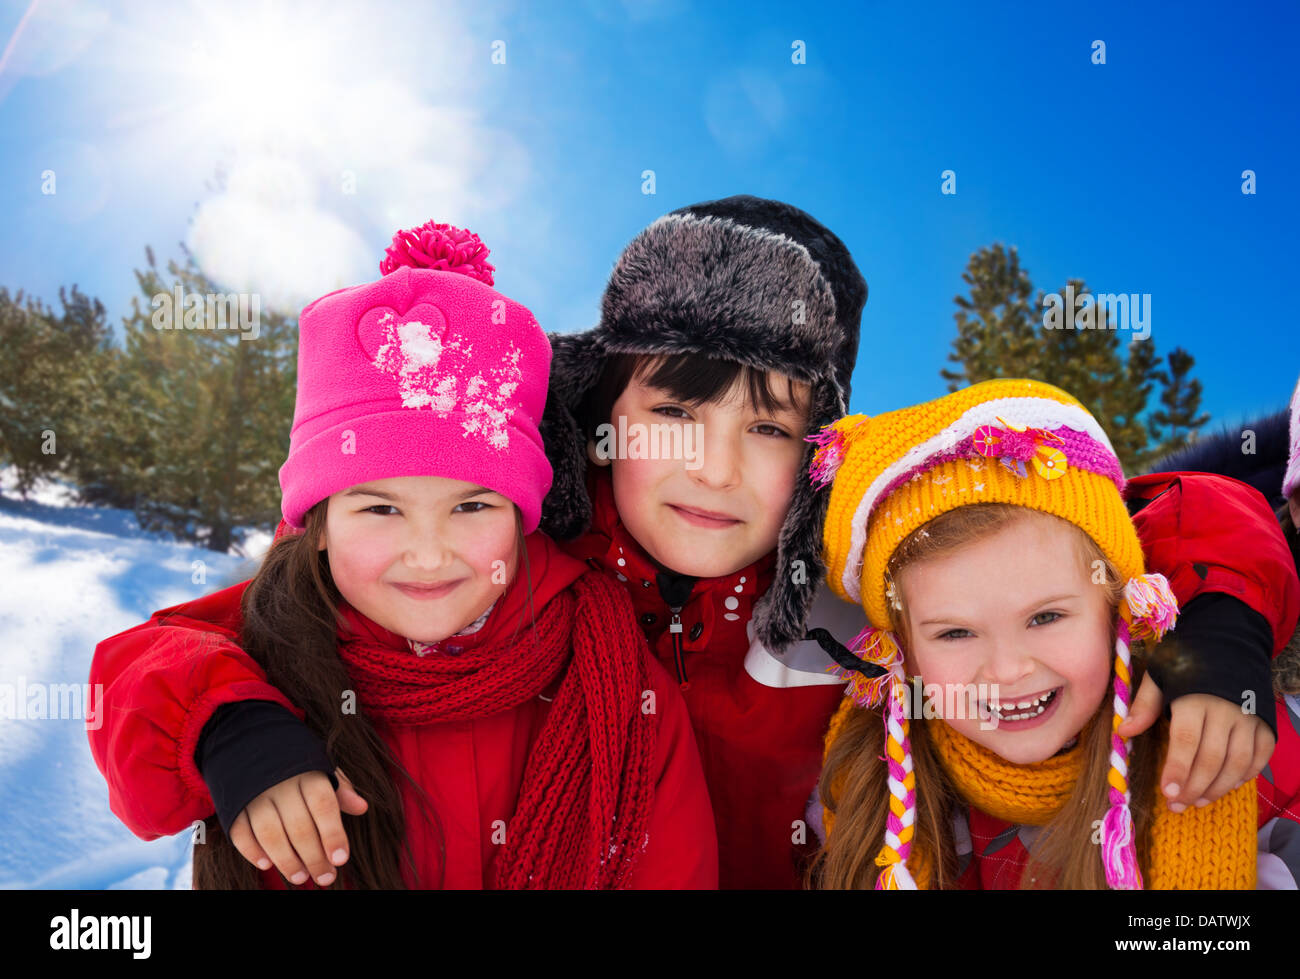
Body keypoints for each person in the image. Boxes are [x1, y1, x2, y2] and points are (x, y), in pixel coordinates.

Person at [88, 221, 717, 889]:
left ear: (522, 519)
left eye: (472, 506)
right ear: (319, 524)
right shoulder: (273, 633)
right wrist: (230, 727)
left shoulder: (609, 673)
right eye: (381, 509)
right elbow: (136, 681)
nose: (426, 554)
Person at [809, 378, 1300, 888]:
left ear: (1120, 606)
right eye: (954, 633)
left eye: (1045, 618)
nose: (1007, 669)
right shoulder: (866, 784)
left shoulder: (1244, 748)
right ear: (902, 650)